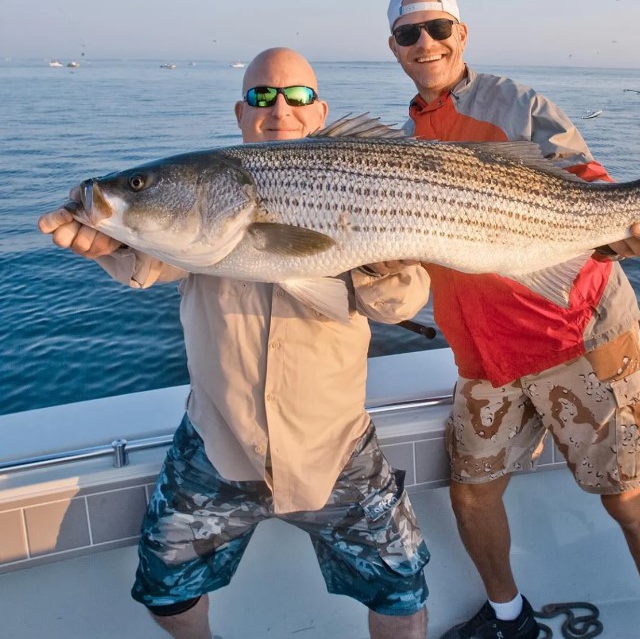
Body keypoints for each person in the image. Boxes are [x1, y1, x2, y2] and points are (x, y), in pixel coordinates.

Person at [37, 48, 432, 639]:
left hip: (334, 447)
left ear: (320, 112)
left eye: (297, 96)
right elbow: (145, 259)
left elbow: (401, 304)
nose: (281, 109)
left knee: (402, 595)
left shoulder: (365, 185)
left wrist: (382, 262)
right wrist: (111, 237)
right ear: (241, 113)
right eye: (262, 96)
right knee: (165, 592)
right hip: (218, 445)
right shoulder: (207, 200)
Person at [386, 0, 640, 639]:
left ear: (462, 34)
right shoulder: (408, 135)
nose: (425, 43)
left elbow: (584, 182)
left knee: (628, 497)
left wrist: (624, 228)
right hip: (486, 357)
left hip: (577, 338)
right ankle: (509, 616)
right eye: (409, 34)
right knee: (472, 494)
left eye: (438, 28)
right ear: (394, 48)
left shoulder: (515, 104)